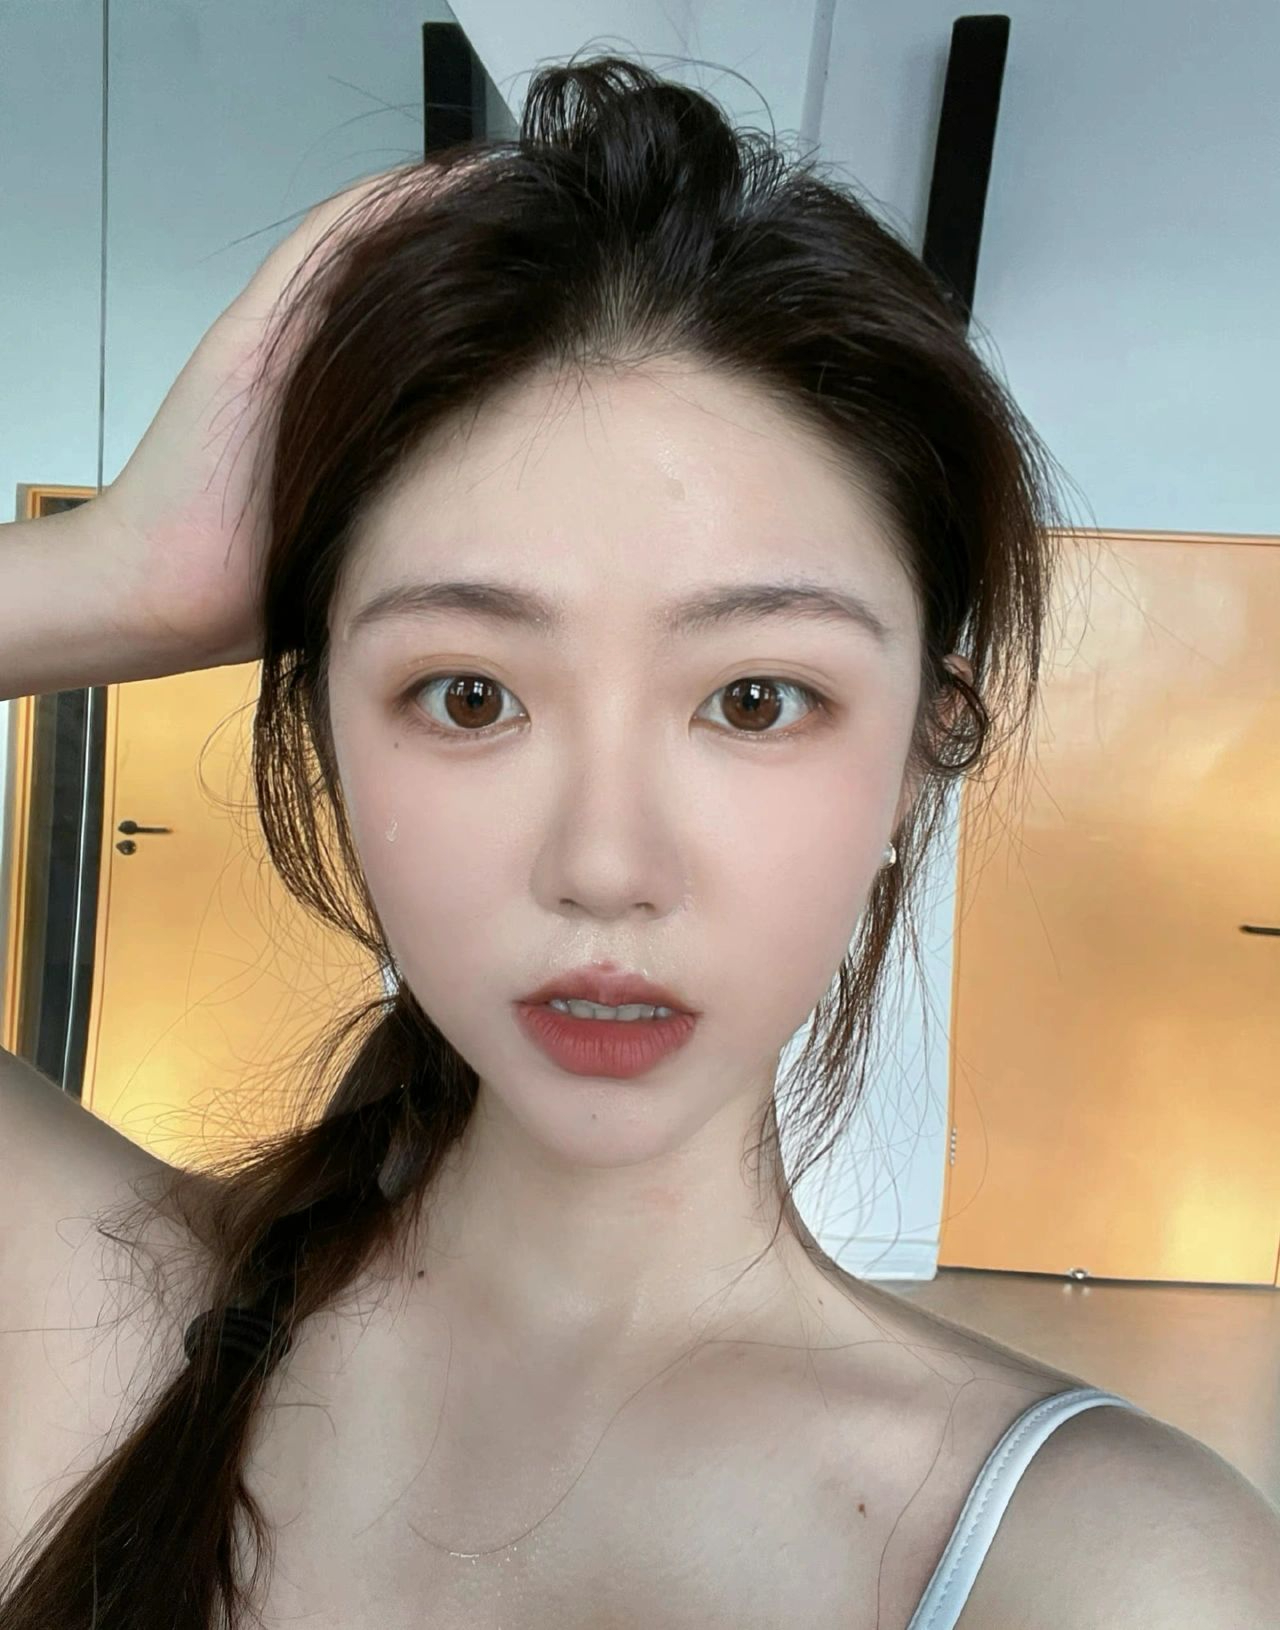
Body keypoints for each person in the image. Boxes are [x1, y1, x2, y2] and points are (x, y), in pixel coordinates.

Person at [1, 52, 1277, 1630]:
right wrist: (118, 575)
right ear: (328, 728)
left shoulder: (1101, 1569)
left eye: (755, 698)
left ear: (918, 754)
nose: (606, 865)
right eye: (469, 694)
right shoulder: (102, 1322)